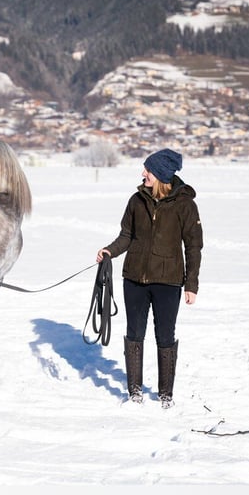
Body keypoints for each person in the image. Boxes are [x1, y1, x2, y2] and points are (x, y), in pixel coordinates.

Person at [96, 148, 203, 408]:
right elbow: (126, 236)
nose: (143, 173)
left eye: (148, 170)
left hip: (168, 282)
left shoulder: (185, 205)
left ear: (162, 174)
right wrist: (110, 251)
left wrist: (191, 284)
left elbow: (193, 246)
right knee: (134, 333)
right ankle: (134, 392)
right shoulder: (136, 200)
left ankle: (166, 394)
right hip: (134, 278)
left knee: (165, 336)